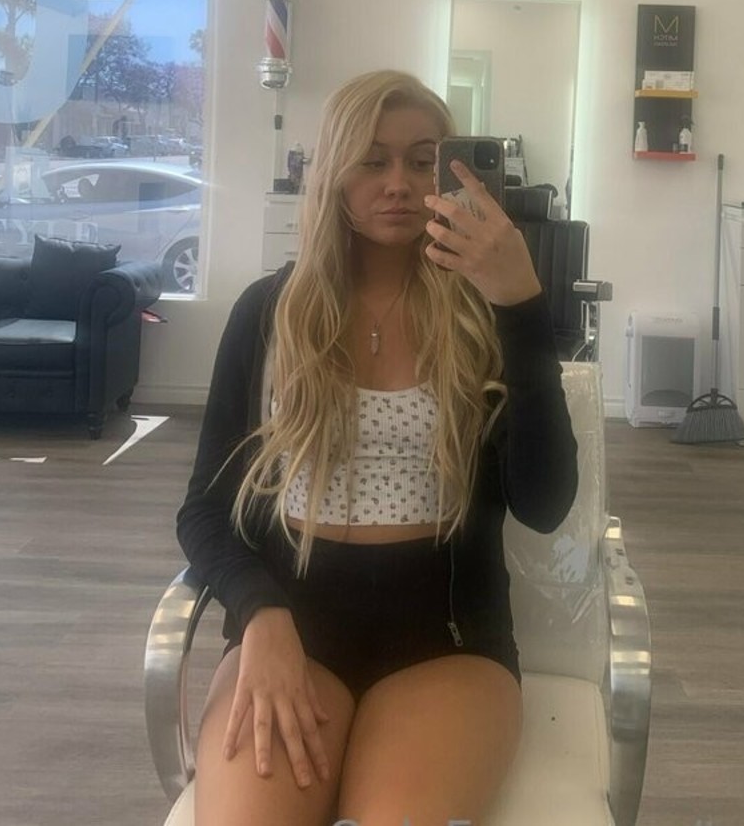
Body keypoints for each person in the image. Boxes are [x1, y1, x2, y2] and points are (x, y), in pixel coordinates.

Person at [177, 70, 578, 826]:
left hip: (447, 639)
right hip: (290, 623)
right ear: (333, 172)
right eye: (372, 159)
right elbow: (203, 511)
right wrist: (259, 613)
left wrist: (522, 306)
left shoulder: (484, 316)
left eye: (423, 160)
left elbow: (546, 503)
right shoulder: (270, 313)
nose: (398, 183)